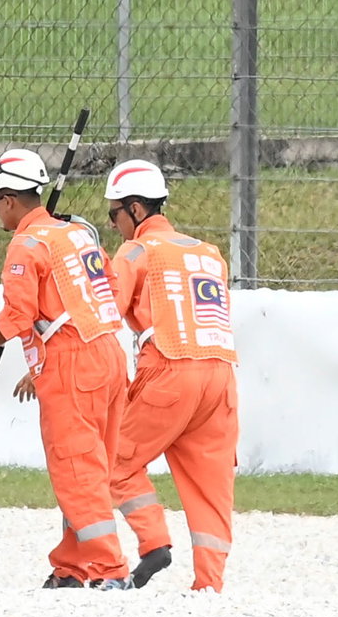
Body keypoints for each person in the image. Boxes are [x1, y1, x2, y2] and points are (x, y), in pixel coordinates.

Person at [0, 148, 131, 590]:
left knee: (75, 470)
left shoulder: (26, 243)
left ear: (6, 199)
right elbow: (110, 289)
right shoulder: (77, 235)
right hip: (110, 352)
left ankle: (110, 570)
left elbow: (16, 319)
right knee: (95, 468)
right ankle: (71, 568)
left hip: (73, 363)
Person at [102, 159, 239, 592]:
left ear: (137, 210)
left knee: (114, 461)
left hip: (169, 369)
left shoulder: (137, 251)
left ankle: (153, 541)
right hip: (221, 375)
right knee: (210, 485)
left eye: (115, 214)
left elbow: (109, 308)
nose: (115, 224)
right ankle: (209, 585)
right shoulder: (208, 253)